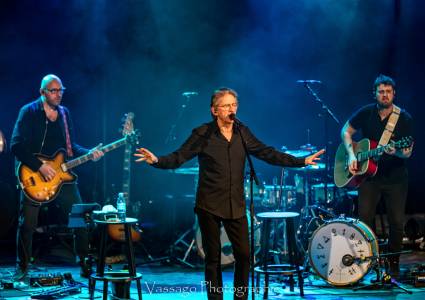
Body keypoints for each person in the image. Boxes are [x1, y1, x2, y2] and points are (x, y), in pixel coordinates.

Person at [134, 87, 324, 299]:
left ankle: (240, 297)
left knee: (244, 255)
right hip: (209, 205)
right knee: (212, 259)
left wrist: (301, 161)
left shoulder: (242, 132)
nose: (231, 109)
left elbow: (267, 152)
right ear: (214, 110)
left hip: (236, 204)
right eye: (226, 105)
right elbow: (179, 156)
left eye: (234, 105)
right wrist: (157, 160)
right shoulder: (202, 134)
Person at [10, 74, 104, 280]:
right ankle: (22, 267)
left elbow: (71, 148)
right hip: (32, 175)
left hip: (61, 176)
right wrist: (39, 166)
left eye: (61, 90)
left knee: (80, 216)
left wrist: (90, 153)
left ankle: (84, 262)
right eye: (53, 91)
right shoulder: (28, 112)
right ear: (42, 92)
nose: (58, 94)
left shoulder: (64, 113)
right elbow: (15, 145)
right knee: (27, 224)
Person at [341, 74, 413, 278]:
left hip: (396, 179)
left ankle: (393, 264)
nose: (385, 95)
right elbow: (346, 131)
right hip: (370, 178)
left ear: (394, 94)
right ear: (375, 94)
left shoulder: (404, 118)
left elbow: (408, 152)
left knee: (397, 222)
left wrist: (396, 151)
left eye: (388, 92)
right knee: (364, 219)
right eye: (381, 91)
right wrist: (351, 155)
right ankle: (370, 261)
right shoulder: (366, 112)